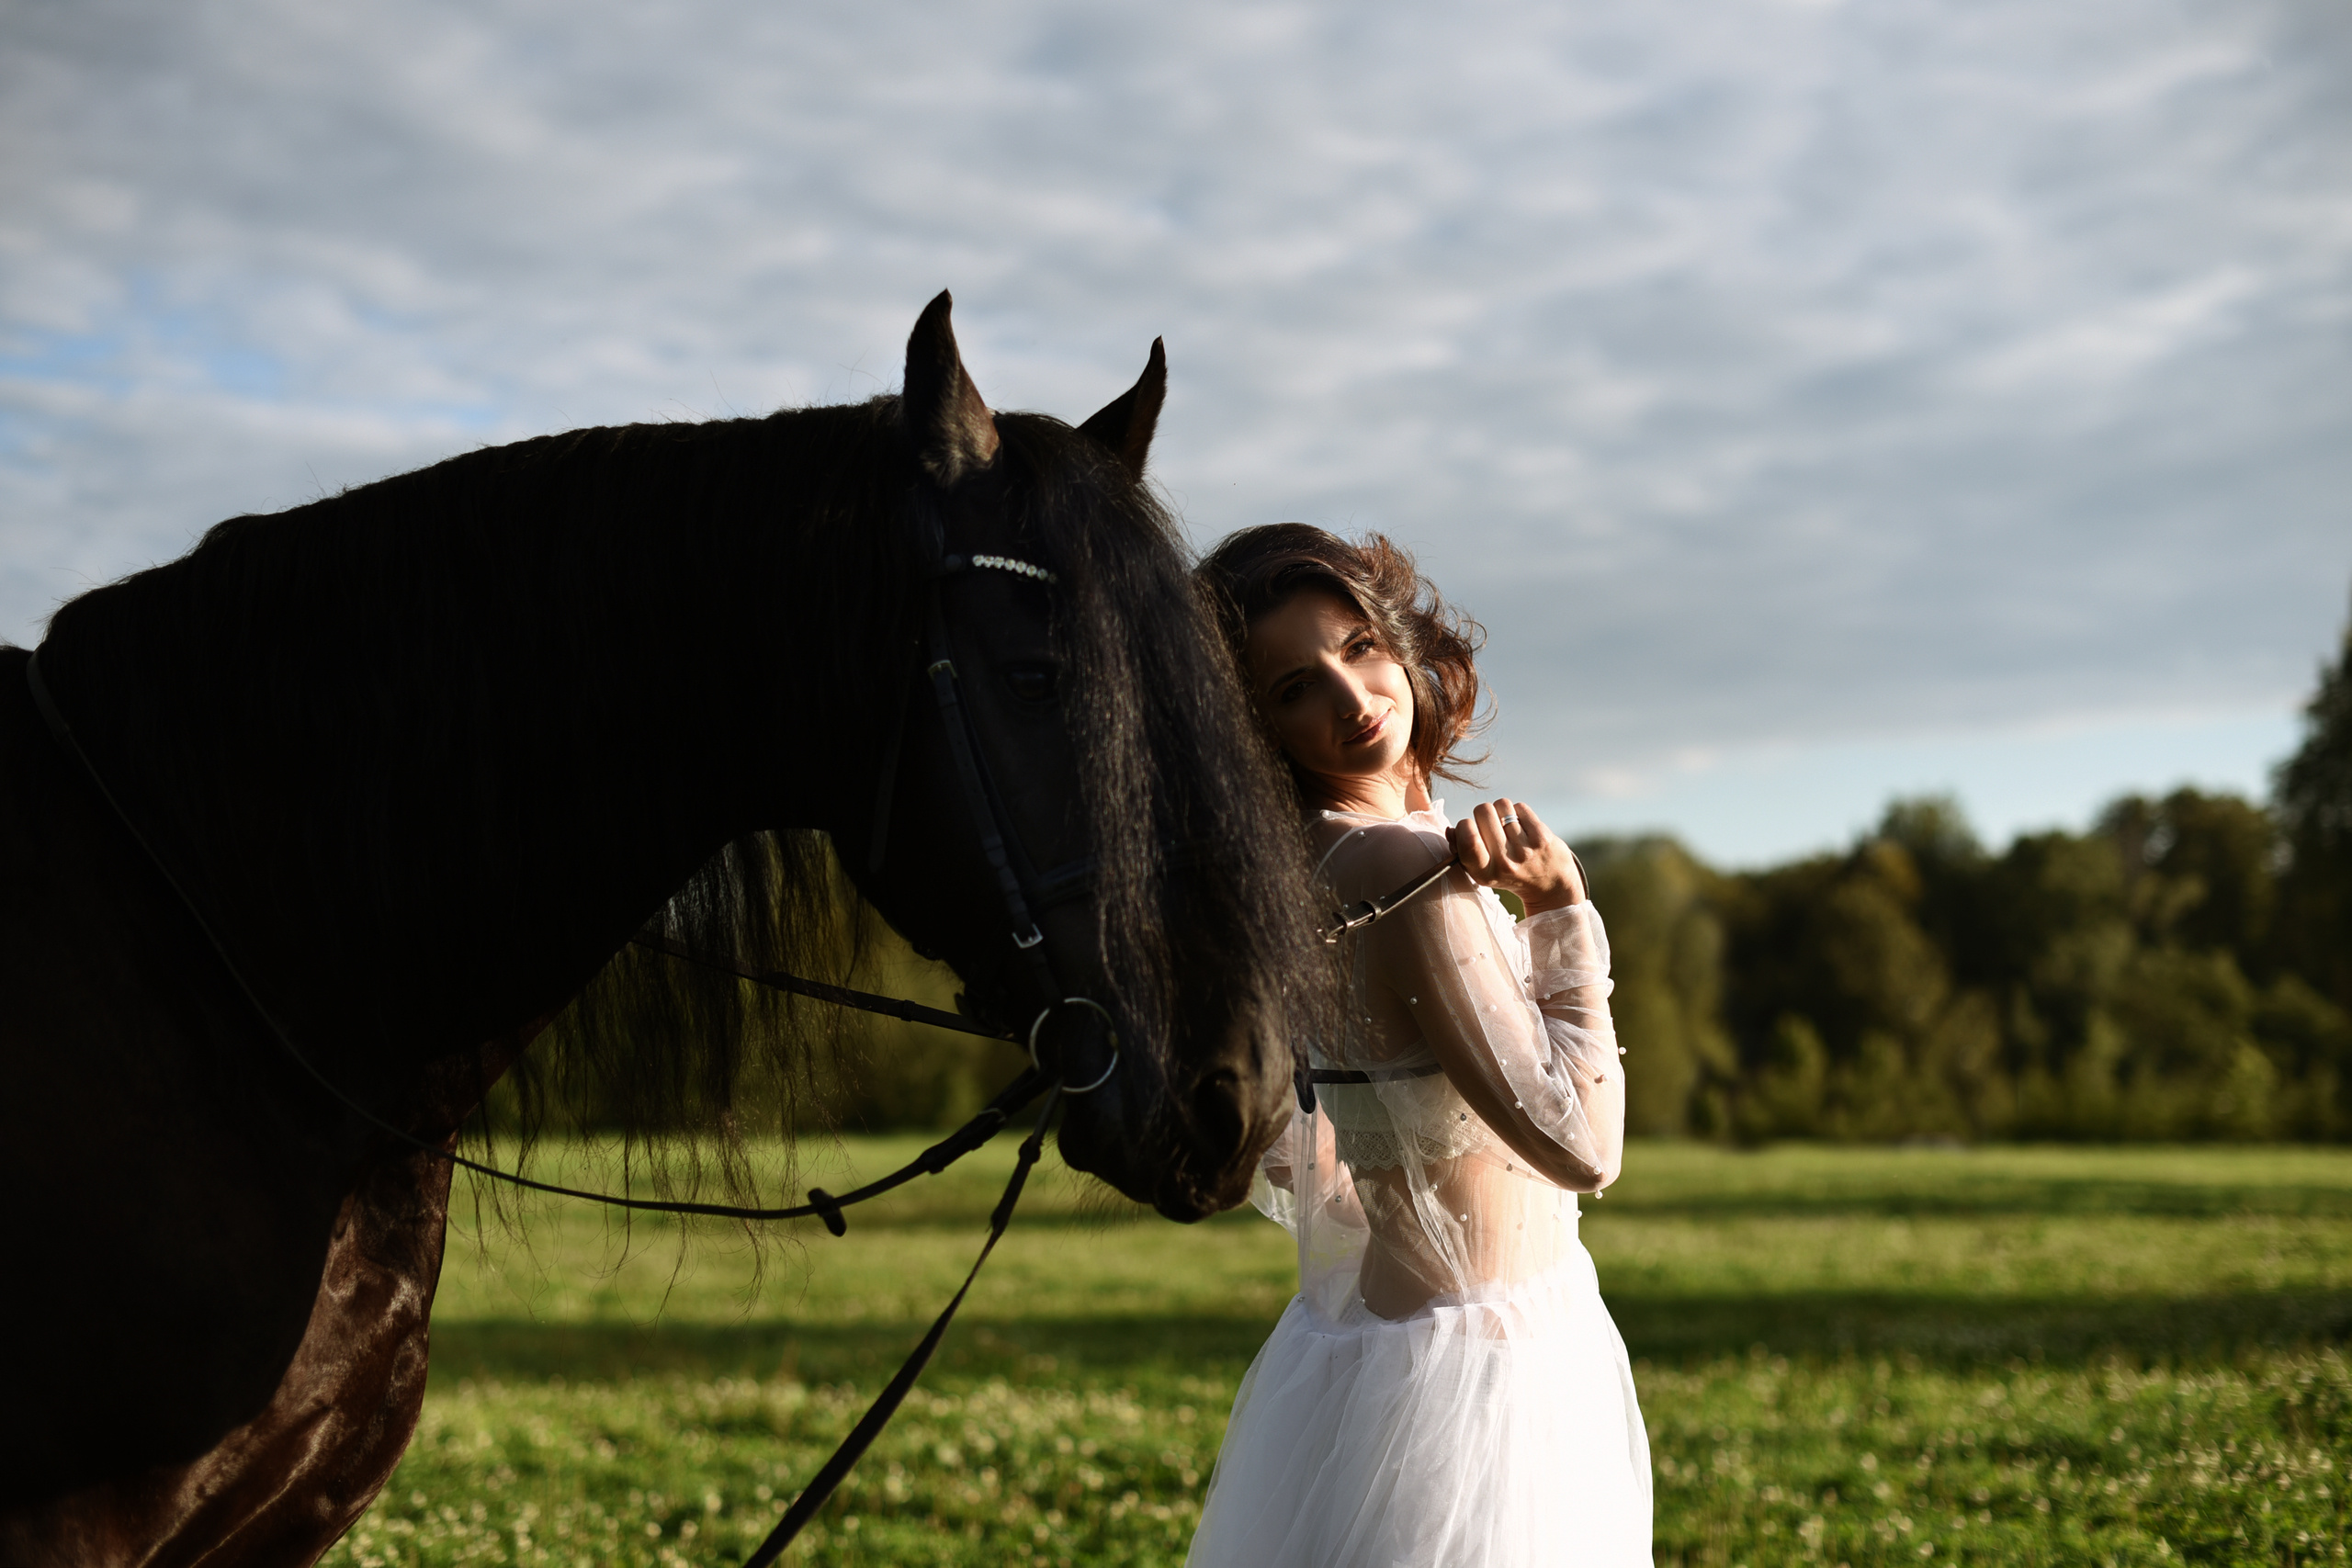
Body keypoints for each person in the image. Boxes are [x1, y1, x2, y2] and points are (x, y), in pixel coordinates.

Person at [1184, 525, 1650, 1567]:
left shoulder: (1291, 868)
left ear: (1403, 642)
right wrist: (1563, 913)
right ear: (1250, 726)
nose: (1351, 700)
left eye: (1357, 646)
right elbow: (1585, 1149)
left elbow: (1295, 1153)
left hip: (1361, 1351)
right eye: (1293, 688)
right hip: (1482, 1371)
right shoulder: (1399, 867)